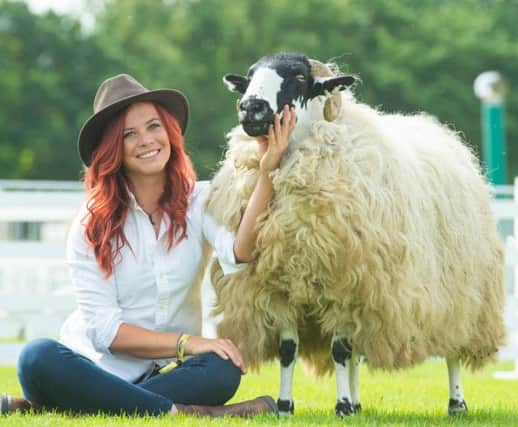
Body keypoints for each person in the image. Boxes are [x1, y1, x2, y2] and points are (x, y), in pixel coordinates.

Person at [0, 74, 296, 417]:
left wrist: (266, 172)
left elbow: (239, 252)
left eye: (153, 126)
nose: (146, 140)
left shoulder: (198, 200)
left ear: (169, 132)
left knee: (222, 367)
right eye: (129, 134)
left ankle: (58, 407)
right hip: (87, 366)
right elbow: (106, 334)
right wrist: (187, 343)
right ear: (112, 150)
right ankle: (192, 414)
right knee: (36, 357)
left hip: (164, 373)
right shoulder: (90, 224)